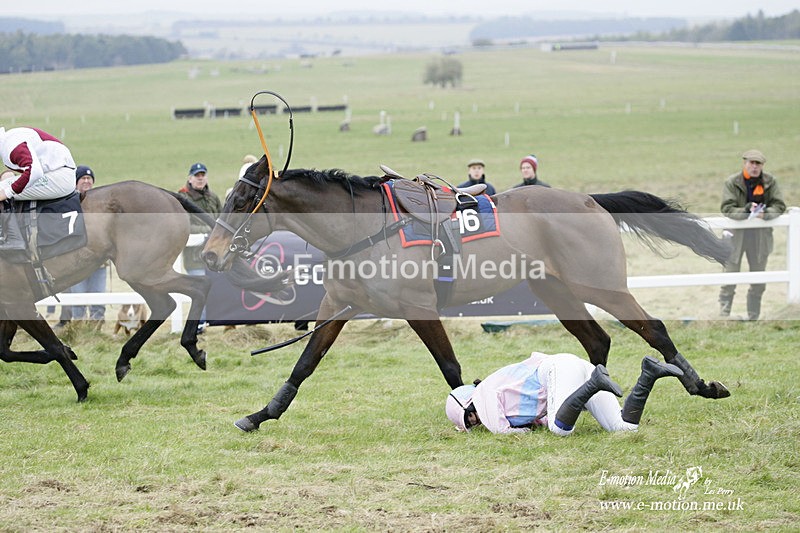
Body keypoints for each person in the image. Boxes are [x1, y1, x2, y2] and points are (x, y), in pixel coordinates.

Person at [445, 352, 683, 435]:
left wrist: (522, 431)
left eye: (469, 417)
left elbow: (500, 429)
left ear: (468, 401)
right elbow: (541, 414)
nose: (475, 421)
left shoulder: (483, 392)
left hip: (559, 370)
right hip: (570, 369)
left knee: (559, 430)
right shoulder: (497, 392)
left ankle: (595, 384)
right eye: (471, 424)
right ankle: (649, 374)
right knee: (623, 428)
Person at [718, 149, 786, 320]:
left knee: (759, 279)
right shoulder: (732, 182)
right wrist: (746, 211)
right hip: (735, 237)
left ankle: (753, 318)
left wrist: (766, 214)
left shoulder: (770, 182)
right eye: (751, 163)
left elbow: (779, 205)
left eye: (758, 164)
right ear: (745, 163)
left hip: (760, 238)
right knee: (729, 278)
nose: (754, 167)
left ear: (762, 165)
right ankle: (723, 316)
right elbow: (727, 208)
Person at [55, 166, 108, 328]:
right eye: (82, 179)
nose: (86, 181)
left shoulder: (101, 204)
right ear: (76, 182)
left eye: (89, 179)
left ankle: (96, 329)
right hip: (76, 259)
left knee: (98, 295)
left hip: (99, 260)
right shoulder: (68, 203)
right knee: (77, 296)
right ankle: (77, 330)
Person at [177, 162, 222, 333]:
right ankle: (198, 324)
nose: (200, 178)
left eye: (203, 175)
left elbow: (222, 218)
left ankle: (210, 321)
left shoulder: (213, 197)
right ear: (190, 178)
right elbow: (185, 226)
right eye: (197, 175)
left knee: (213, 290)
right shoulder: (183, 198)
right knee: (199, 290)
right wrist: (210, 230)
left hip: (215, 255)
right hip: (194, 255)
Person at [0, 126, 76, 202]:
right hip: (59, 172)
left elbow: (35, 172)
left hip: (61, 177)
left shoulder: (11, 146)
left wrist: (7, 193)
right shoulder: (9, 139)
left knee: (2, 188)